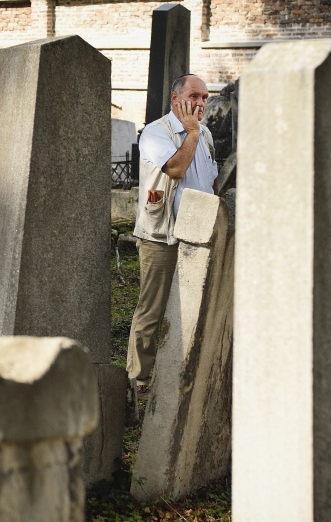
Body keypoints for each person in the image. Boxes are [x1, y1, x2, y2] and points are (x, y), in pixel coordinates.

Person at [126, 73, 218, 393]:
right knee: (152, 311)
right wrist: (190, 132)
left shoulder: (205, 135)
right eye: (194, 96)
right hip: (161, 237)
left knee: (192, 308)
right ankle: (139, 384)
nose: (201, 103)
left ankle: (177, 377)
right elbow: (176, 169)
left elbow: (210, 183)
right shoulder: (155, 133)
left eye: (205, 98)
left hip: (197, 237)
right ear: (175, 99)